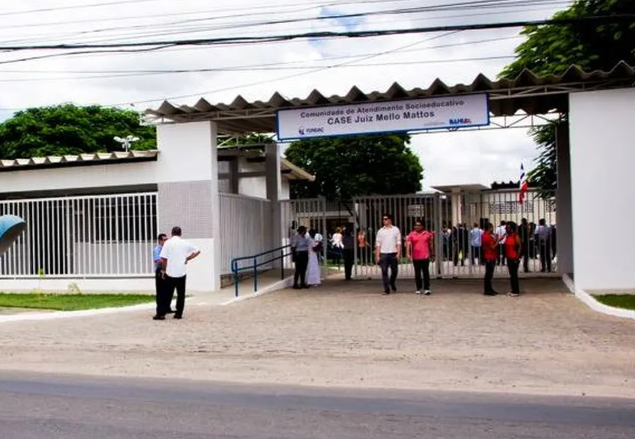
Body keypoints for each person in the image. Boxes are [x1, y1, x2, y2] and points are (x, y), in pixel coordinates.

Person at [157, 226, 200, 320]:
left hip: (170, 272)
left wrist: (163, 270)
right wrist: (187, 259)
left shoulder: (168, 243)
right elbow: (197, 251)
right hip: (181, 272)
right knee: (181, 294)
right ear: (180, 233)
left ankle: (162, 314)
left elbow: (164, 258)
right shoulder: (185, 243)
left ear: (172, 233)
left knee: (167, 294)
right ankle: (178, 313)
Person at [375, 213, 401, 295]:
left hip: (393, 253)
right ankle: (386, 289)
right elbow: (378, 244)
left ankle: (392, 282)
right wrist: (377, 256)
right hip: (384, 253)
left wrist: (398, 253)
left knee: (394, 271)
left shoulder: (396, 229)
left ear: (390, 220)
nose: (384, 220)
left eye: (386, 219)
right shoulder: (380, 231)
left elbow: (398, 242)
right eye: (383, 219)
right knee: (384, 271)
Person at [406, 220, 434, 295]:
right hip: (416, 256)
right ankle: (418, 288)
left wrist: (432, 253)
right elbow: (408, 244)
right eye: (415, 225)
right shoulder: (412, 234)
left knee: (425, 273)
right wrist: (408, 254)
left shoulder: (427, 234)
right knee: (417, 273)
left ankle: (427, 288)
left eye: (418, 225)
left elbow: (430, 244)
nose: (416, 227)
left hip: (425, 256)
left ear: (422, 226)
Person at [152, 233, 173, 317]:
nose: (166, 241)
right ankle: (160, 312)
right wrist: (166, 259)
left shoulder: (167, 249)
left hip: (168, 270)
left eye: (167, 239)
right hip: (160, 271)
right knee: (161, 292)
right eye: (164, 240)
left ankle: (167, 307)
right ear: (160, 241)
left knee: (168, 291)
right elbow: (158, 261)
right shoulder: (157, 249)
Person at [504, 221, 522, 297]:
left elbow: (520, 246)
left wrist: (517, 257)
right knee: (512, 275)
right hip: (509, 257)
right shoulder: (508, 236)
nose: (506, 229)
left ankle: (516, 291)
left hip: (514, 258)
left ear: (511, 228)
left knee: (514, 275)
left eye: (507, 227)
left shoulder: (515, 236)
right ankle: (513, 289)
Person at [482, 223, 499, 296]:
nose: (493, 229)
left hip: (490, 256)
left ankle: (489, 289)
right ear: (489, 228)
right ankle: (487, 290)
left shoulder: (486, 235)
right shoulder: (487, 236)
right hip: (490, 257)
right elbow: (493, 247)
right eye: (492, 227)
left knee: (489, 275)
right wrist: (498, 240)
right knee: (489, 275)